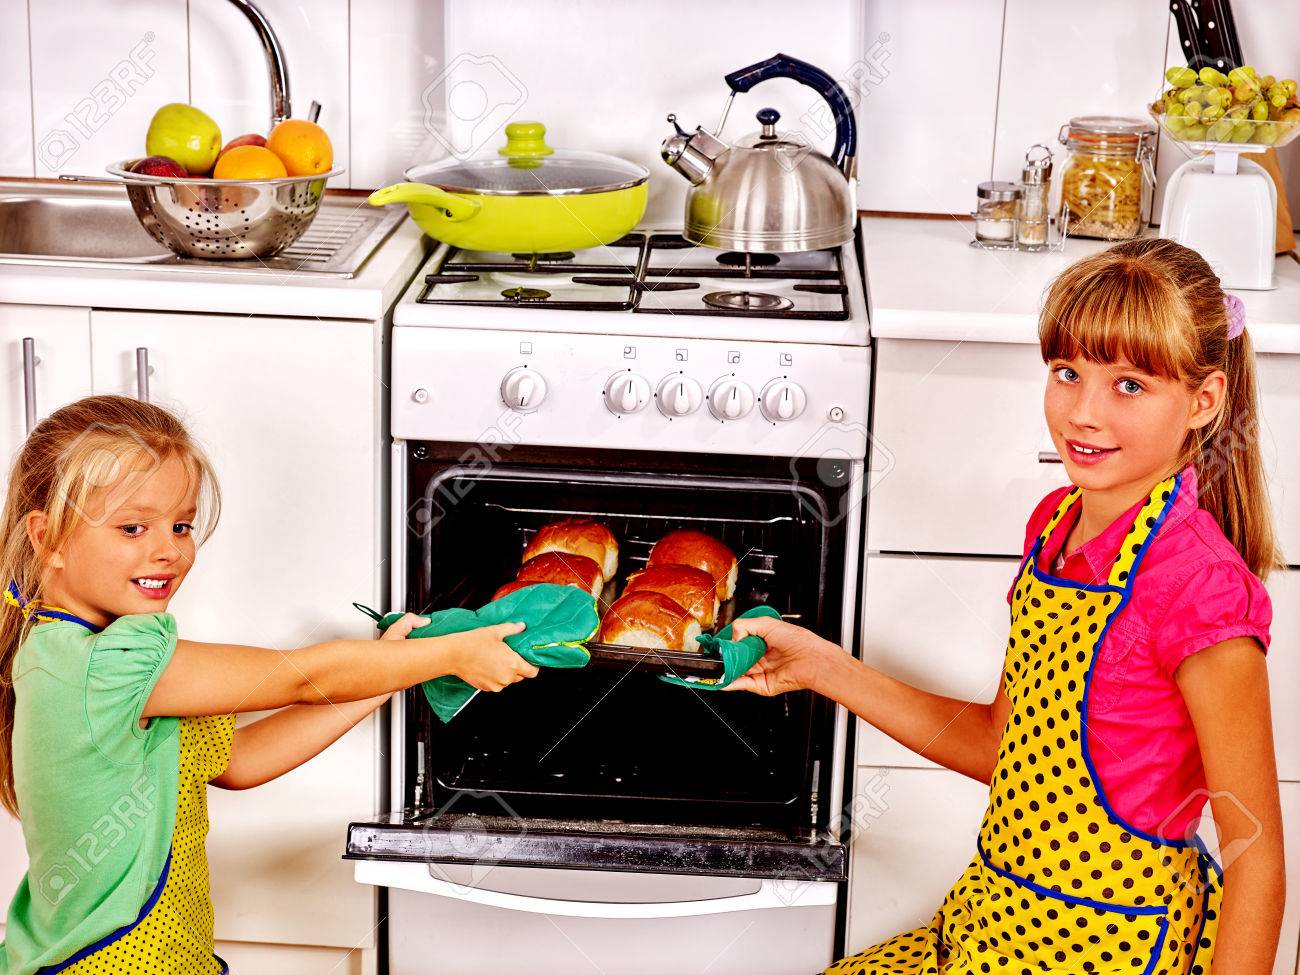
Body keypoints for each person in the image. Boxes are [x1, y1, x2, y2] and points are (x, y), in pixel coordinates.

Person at [730, 238, 1285, 975]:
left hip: (1103, 951)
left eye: (1129, 385)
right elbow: (1003, 746)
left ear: (1204, 400)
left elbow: (1257, 857)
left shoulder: (1199, 589)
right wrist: (823, 667)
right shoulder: (1055, 525)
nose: (1083, 412)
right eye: (1067, 373)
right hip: (988, 924)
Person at [0, 395, 535, 974]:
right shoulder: (107, 667)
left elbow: (241, 760)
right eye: (133, 527)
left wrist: (385, 675)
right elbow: (302, 677)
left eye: (181, 526)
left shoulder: (69, 652)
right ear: (47, 538)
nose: (169, 550)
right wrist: (447, 654)